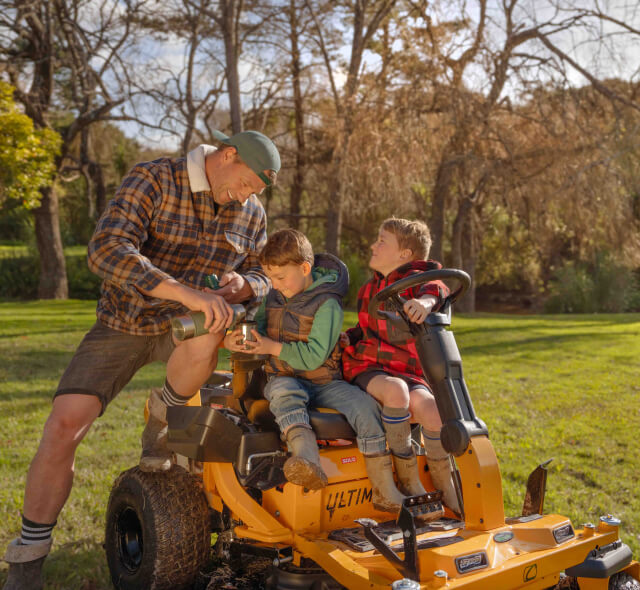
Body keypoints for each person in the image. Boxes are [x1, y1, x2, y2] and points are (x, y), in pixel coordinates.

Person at [2, 130, 280, 590]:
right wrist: (181, 289)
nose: (248, 196)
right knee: (63, 426)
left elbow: (263, 273)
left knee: (213, 327)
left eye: (255, 192)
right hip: (125, 321)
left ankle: (162, 417)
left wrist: (246, 286)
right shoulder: (154, 178)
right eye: (247, 183)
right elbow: (107, 250)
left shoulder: (251, 211)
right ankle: (28, 559)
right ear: (227, 156)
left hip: (190, 330)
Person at [224, 228, 406, 512]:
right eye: (270, 277)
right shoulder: (274, 295)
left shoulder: (327, 304)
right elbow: (259, 326)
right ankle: (306, 459)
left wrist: (271, 347)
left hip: (325, 380)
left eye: (280, 277)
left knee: (364, 407)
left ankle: (384, 488)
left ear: (305, 268)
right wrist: (246, 340)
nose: (274, 284)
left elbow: (312, 358)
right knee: (285, 393)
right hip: (283, 376)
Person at [341, 217, 461, 513]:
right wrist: (350, 336)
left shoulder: (418, 284)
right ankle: (407, 477)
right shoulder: (369, 289)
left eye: (382, 241)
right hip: (369, 367)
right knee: (396, 393)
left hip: (407, 370)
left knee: (433, 411)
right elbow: (366, 327)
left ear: (405, 254)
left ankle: (443, 484)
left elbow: (438, 289)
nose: (373, 245)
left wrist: (426, 304)